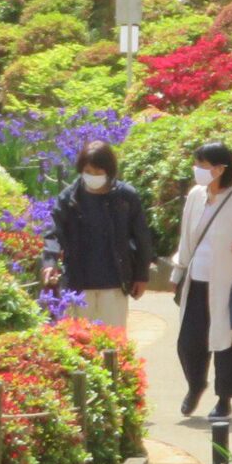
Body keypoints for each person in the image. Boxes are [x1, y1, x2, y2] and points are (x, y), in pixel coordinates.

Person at [172, 141, 232, 418]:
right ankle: (195, 385)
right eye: (197, 165)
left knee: (224, 341)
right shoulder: (195, 196)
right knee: (189, 341)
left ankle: (225, 400)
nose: (198, 171)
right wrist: (178, 270)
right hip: (196, 278)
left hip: (227, 282)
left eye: (204, 166)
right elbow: (187, 237)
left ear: (220, 169)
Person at [43, 140, 156, 333]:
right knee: (79, 343)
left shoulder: (126, 197)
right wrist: (49, 263)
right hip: (78, 285)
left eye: (99, 172)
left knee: (113, 343)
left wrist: (141, 275)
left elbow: (142, 237)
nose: (93, 177)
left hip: (114, 283)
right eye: (88, 171)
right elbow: (53, 232)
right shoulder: (68, 198)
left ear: (109, 171)